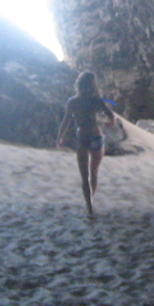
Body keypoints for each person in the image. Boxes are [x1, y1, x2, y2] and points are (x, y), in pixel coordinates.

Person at [57, 71, 118, 219]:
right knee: (94, 172)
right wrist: (109, 123)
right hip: (96, 136)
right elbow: (111, 117)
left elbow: (66, 122)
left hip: (82, 137)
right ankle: (93, 197)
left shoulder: (72, 102)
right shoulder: (97, 100)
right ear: (93, 85)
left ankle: (89, 207)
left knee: (84, 176)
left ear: (79, 83)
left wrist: (60, 137)